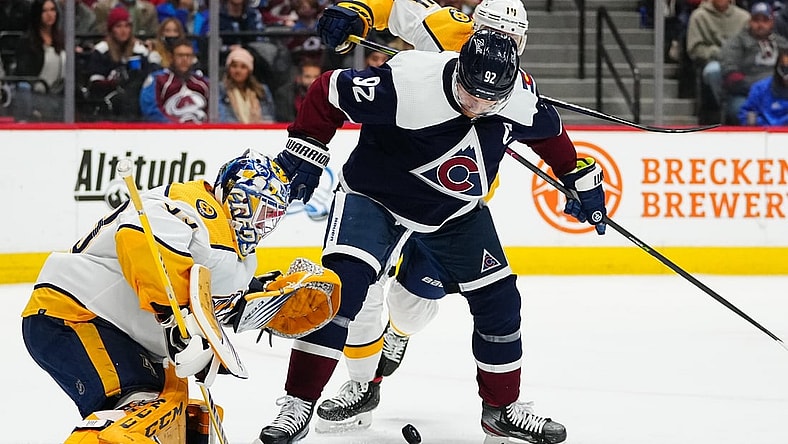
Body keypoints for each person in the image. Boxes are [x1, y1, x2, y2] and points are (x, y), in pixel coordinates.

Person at [257, 29, 608, 444]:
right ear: (459, 70)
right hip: (374, 198)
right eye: (469, 92)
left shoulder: (518, 95)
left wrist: (577, 177)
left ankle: (501, 409)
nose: (477, 105)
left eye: (489, 100)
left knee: (500, 301)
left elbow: (548, 132)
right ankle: (297, 404)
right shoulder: (407, 83)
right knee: (339, 290)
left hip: (452, 213)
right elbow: (328, 89)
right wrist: (306, 147)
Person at [312, 0, 532, 433]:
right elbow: (396, 6)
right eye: (494, 32)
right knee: (361, 290)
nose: (501, 44)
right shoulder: (444, 27)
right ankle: (362, 384)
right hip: (387, 187)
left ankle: (399, 332)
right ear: (474, 26)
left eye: (512, 39)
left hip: (447, 211)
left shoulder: (513, 82)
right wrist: (358, 11)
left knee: (412, 305)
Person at [21, 150, 293, 442]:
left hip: (121, 333)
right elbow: (137, 238)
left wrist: (261, 307)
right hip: (75, 313)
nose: (261, 224)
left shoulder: (237, 255)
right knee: (138, 413)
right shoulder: (193, 204)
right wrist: (174, 315)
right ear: (235, 195)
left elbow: (204, 300)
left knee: (173, 413)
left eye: (271, 216)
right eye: (259, 210)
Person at [719, 1, 788, 123]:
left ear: (772, 22)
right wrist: (757, 89)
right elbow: (730, 73)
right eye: (756, 20)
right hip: (747, 94)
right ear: (750, 21)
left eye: (765, 20)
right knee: (740, 110)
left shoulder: (782, 43)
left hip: (778, 93)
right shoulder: (736, 42)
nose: (760, 25)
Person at [84, 6, 152, 121]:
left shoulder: (139, 50)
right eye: (119, 26)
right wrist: (117, 84)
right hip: (108, 103)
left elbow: (147, 79)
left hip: (134, 101)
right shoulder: (101, 51)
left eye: (126, 26)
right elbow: (95, 83)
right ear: (111, 29)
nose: (123, 30)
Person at [686, 0, 749, 118]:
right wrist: (717, 53)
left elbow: (750, 45)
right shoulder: (699, 16)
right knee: (713, 71)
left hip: (739, 63)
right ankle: (724, 104)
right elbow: (694, 49)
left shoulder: (744, 17)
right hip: (713, 60)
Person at [13, 0, 66, 121]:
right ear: (37, 14)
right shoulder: (27, 42)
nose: (49, 14)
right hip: (37, 97)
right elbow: (24, 74)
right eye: (44, 11)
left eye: (52, 10)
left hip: (60, 95)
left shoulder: (61, 39)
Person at [139, 37, 209, 122]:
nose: (184, 59)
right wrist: (175, 126)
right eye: (180, 55)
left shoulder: (204, 82)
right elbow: (150, 111)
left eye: (188, 55)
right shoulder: (157, 79)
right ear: (171, 57)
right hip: (169, 129)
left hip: (202, 128)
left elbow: (218, 110)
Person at [219, 46, 277, 123]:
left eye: (243, 67)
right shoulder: (221, 90)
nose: (238, 70)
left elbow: (269, 118)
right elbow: (222, 119)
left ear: (249, 70)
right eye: (234, 66)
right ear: (228, 69)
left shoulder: (262, 91)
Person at [737, 47, 788, 124]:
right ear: (777, 68)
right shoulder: (760, 89)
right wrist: (756, 122)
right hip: (764, 129)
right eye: (785, 69)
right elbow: (746, 114)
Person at [95, 0, 160, 37]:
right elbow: (100, 35)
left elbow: (154, 36)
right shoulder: (102, 8)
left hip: (141, 47)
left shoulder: (149, 9)